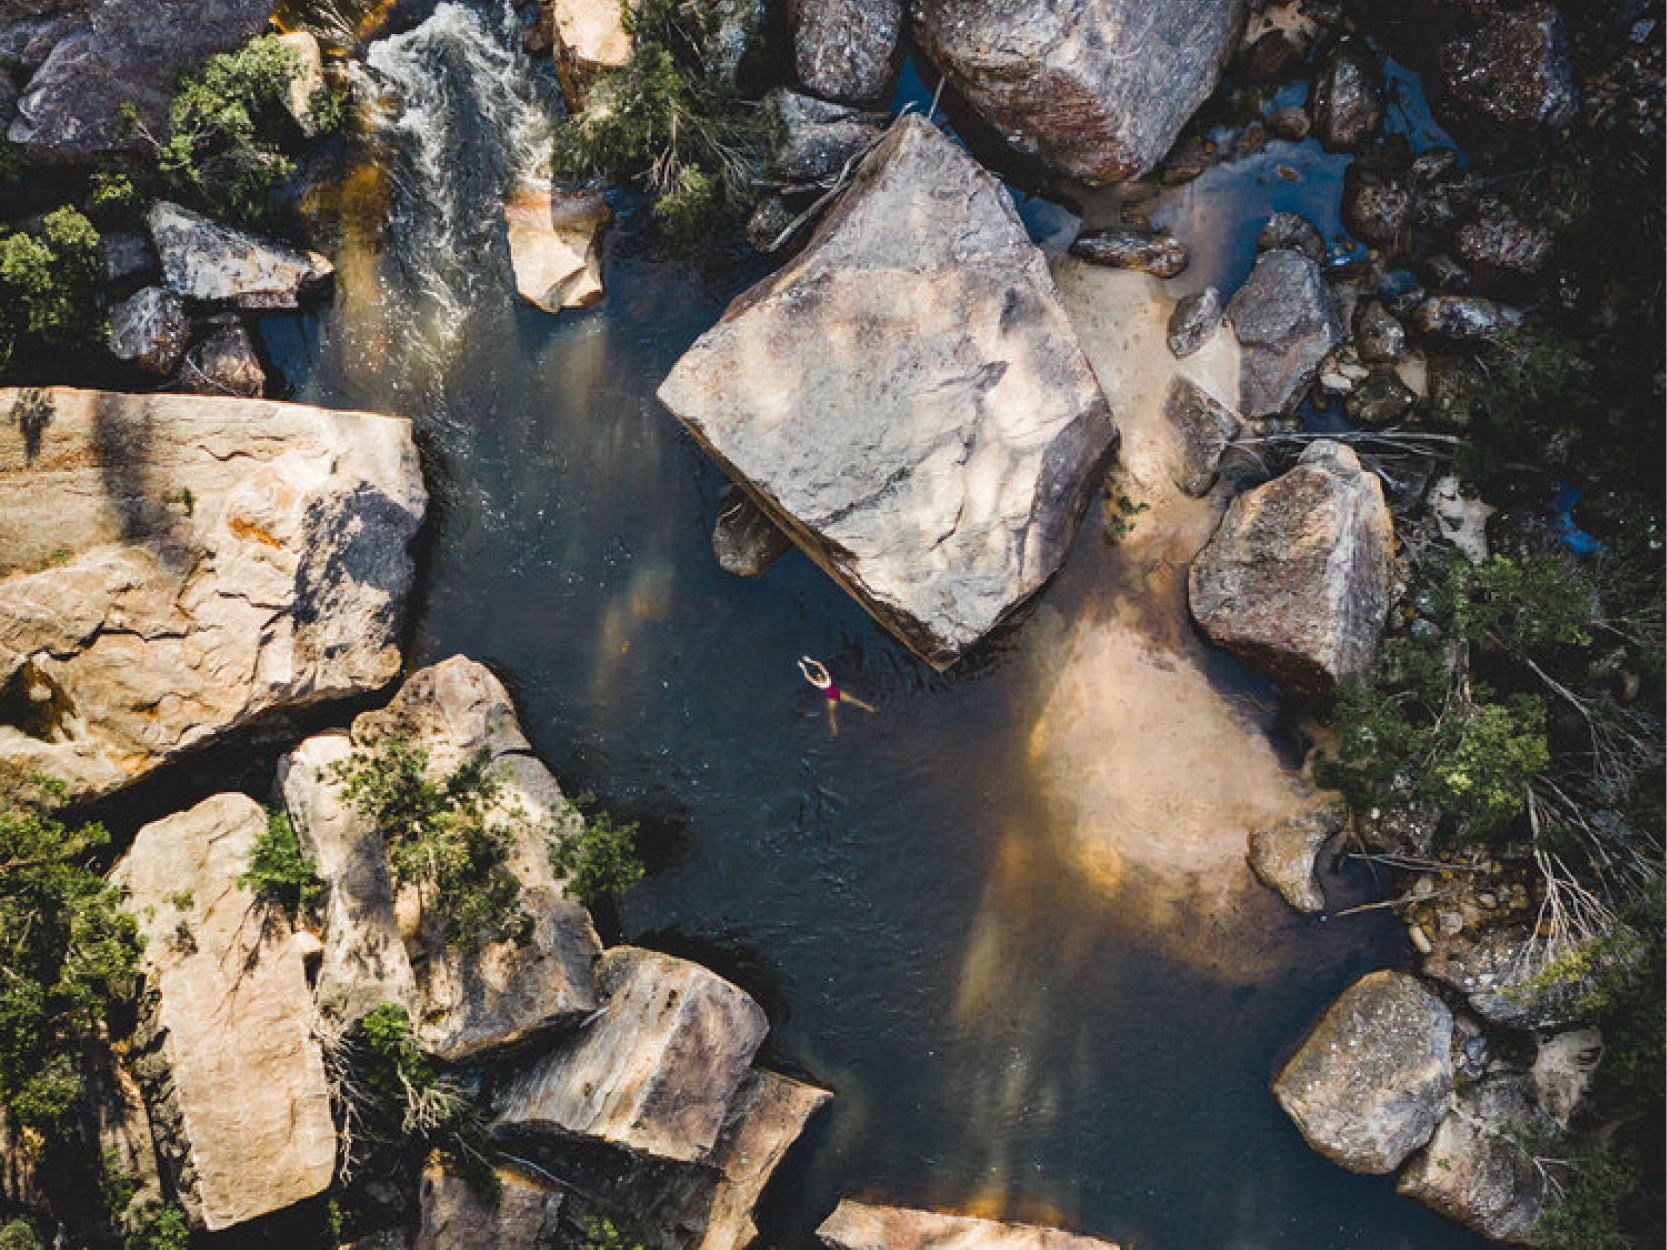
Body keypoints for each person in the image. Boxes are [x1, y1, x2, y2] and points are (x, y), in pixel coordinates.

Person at [797, 656, 874, 735]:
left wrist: (805, 664)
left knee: (836, 711)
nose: (818, 676)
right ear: (819, 678)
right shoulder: (826, 680)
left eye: (818, 676)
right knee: (833, 712)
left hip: (834, 695)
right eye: (818, 676)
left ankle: (869, 708)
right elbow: (811, 674)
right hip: (834, 695)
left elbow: (814, 670)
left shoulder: (821, 683)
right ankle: (835, 731)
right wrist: (806, 664)